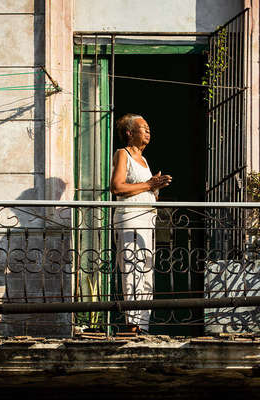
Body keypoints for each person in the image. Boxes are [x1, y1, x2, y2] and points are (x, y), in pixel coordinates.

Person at [110, 114, 172, 333]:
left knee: (145, 267)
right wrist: (149, 184)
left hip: (147, 217)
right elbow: (117, 188)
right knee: (131, 265)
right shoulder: (122, 154)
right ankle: (132, 324)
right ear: (129, 133)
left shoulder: (144, 160)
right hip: (130, 216)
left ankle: (143, 324)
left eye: (148, 128)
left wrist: (155, 188)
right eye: (143, 128)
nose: (148, 131)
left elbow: (145, 190)